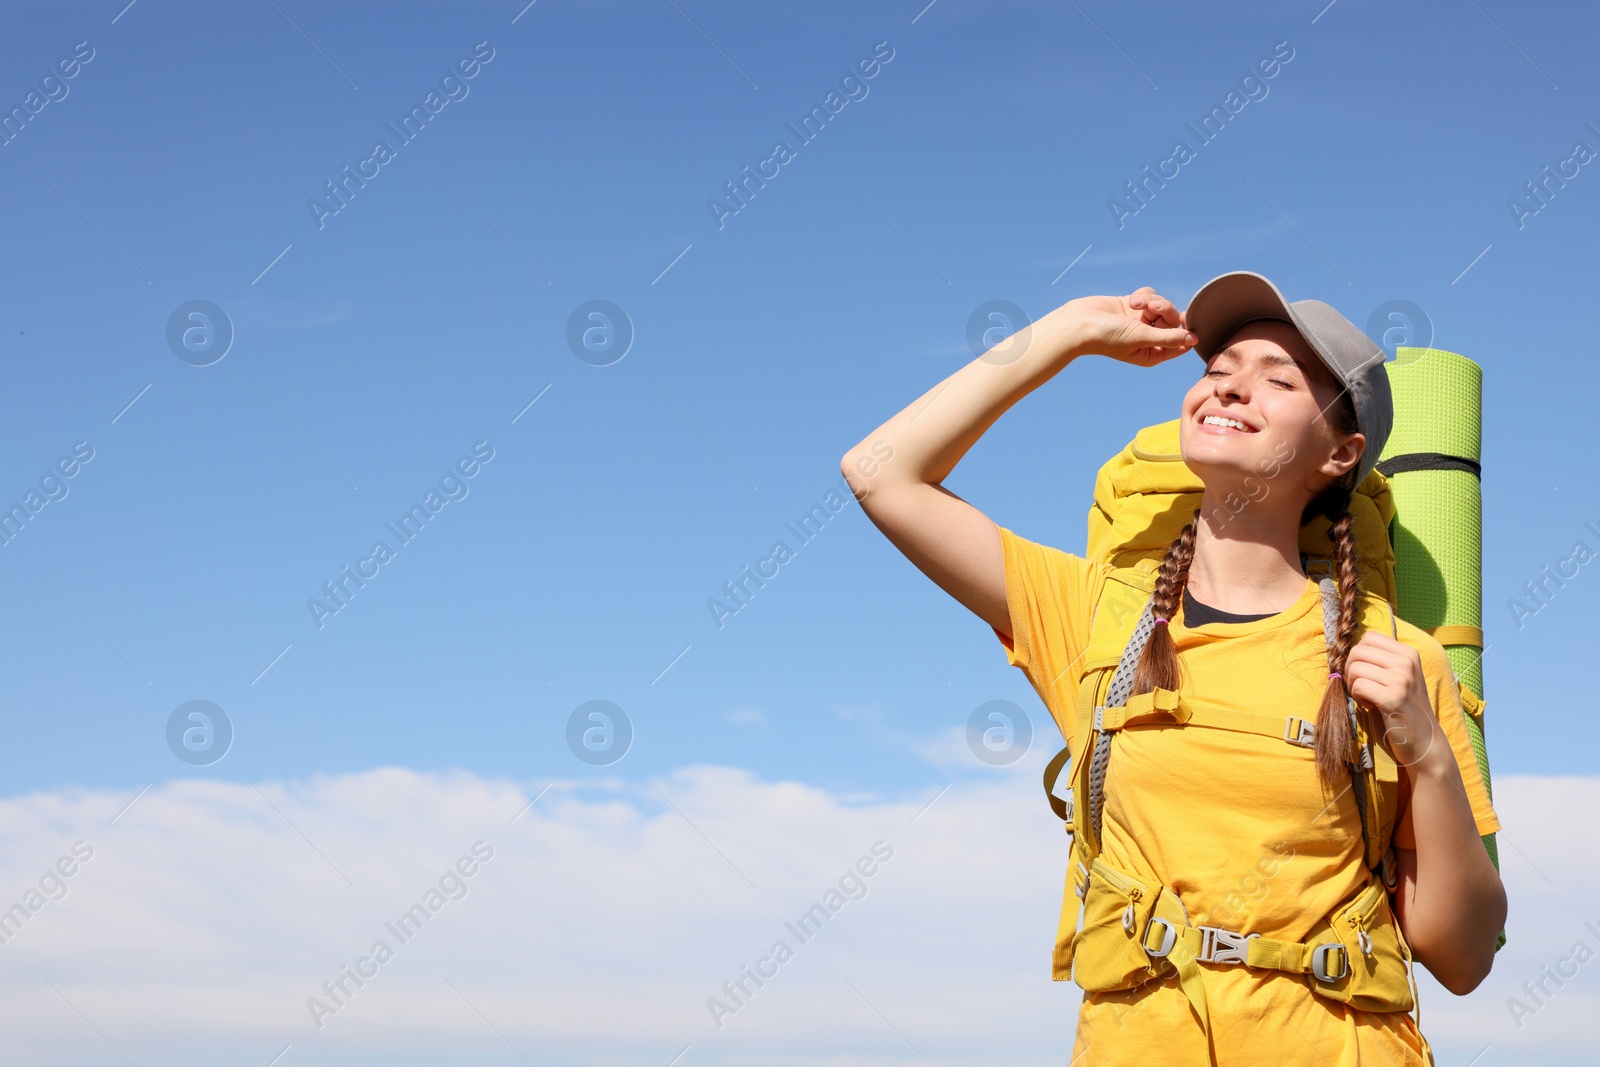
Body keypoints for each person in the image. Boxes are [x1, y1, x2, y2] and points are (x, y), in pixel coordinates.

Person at [839, 274, 1506, 1065]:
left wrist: (1429, 751)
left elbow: (1461, 958)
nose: (1231, 387)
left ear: (1340, 451)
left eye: (1279, 378)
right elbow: (879, 471)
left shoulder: (1395, 659)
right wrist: (1069, 330)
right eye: (1218, 371)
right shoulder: (1097, 619)